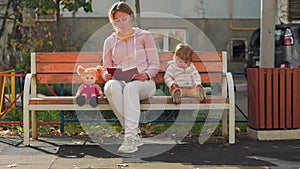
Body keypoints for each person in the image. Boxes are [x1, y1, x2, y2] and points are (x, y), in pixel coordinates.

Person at [101, 1, 160, 153]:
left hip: (144, 83)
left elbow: (155, 64)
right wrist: (106, 75)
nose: (121, 23)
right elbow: (105, 67)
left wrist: (146, 74)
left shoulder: (145, 36)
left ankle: (130, 139)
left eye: (124, 18)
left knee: (131, 87)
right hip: (120, 80)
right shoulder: (109, 41)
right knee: (110, 87)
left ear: (131, 17)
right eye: (117, 20)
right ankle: (133, 135)